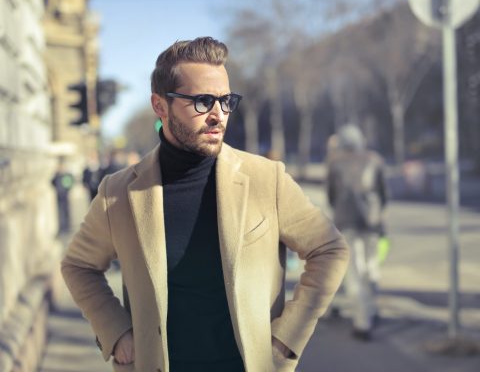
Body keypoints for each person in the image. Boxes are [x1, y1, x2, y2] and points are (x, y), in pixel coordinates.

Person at [61, 37, 349, 372]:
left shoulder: (266, 179)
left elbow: (329, 249)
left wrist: (288, 336)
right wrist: (115, 331)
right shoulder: (119, 192)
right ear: (160, 106)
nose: (219, 115)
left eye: (226, 101)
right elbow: (78, 267)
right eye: (203, 101)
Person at [326, 124, 388, 341]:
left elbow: (331, 196)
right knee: (371, 268)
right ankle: (372, 310)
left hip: (346, 223)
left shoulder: (335, 164)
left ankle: (362, 323)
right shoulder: (375, 160)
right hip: (373, 223)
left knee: (354, 272)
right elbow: (383, 194)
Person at [51, 159, 74, 234]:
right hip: (59, 195)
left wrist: (68, 189)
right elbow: (52, 182)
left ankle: (67, 227)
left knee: (66, 211)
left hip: (65, 195)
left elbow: (71, 182)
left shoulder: (67, 174)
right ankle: (62, 228)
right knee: (60, 212)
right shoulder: (57, 174)